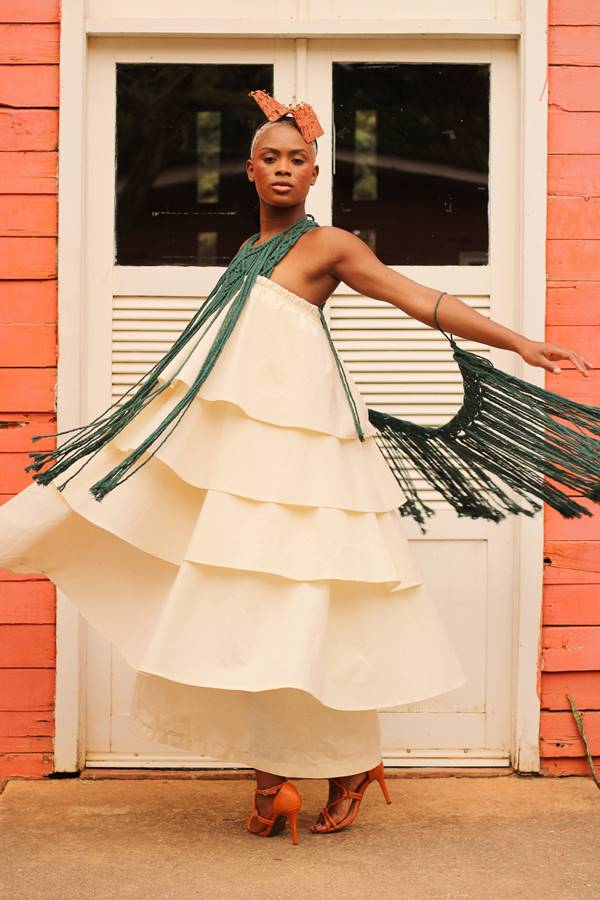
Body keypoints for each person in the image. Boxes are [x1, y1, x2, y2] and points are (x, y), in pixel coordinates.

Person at [0, 104, 590, 845]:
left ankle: (337, 766)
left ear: (316, 174)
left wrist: (518, 341)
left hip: (305, 456)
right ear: (249, 170)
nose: (282, 167)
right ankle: (278, 770)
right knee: (246, 605)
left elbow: (418, 298)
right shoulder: (246, 250)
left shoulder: (329, 246)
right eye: (269, 157)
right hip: (247, 457)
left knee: (310, 605)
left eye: (296, 158)